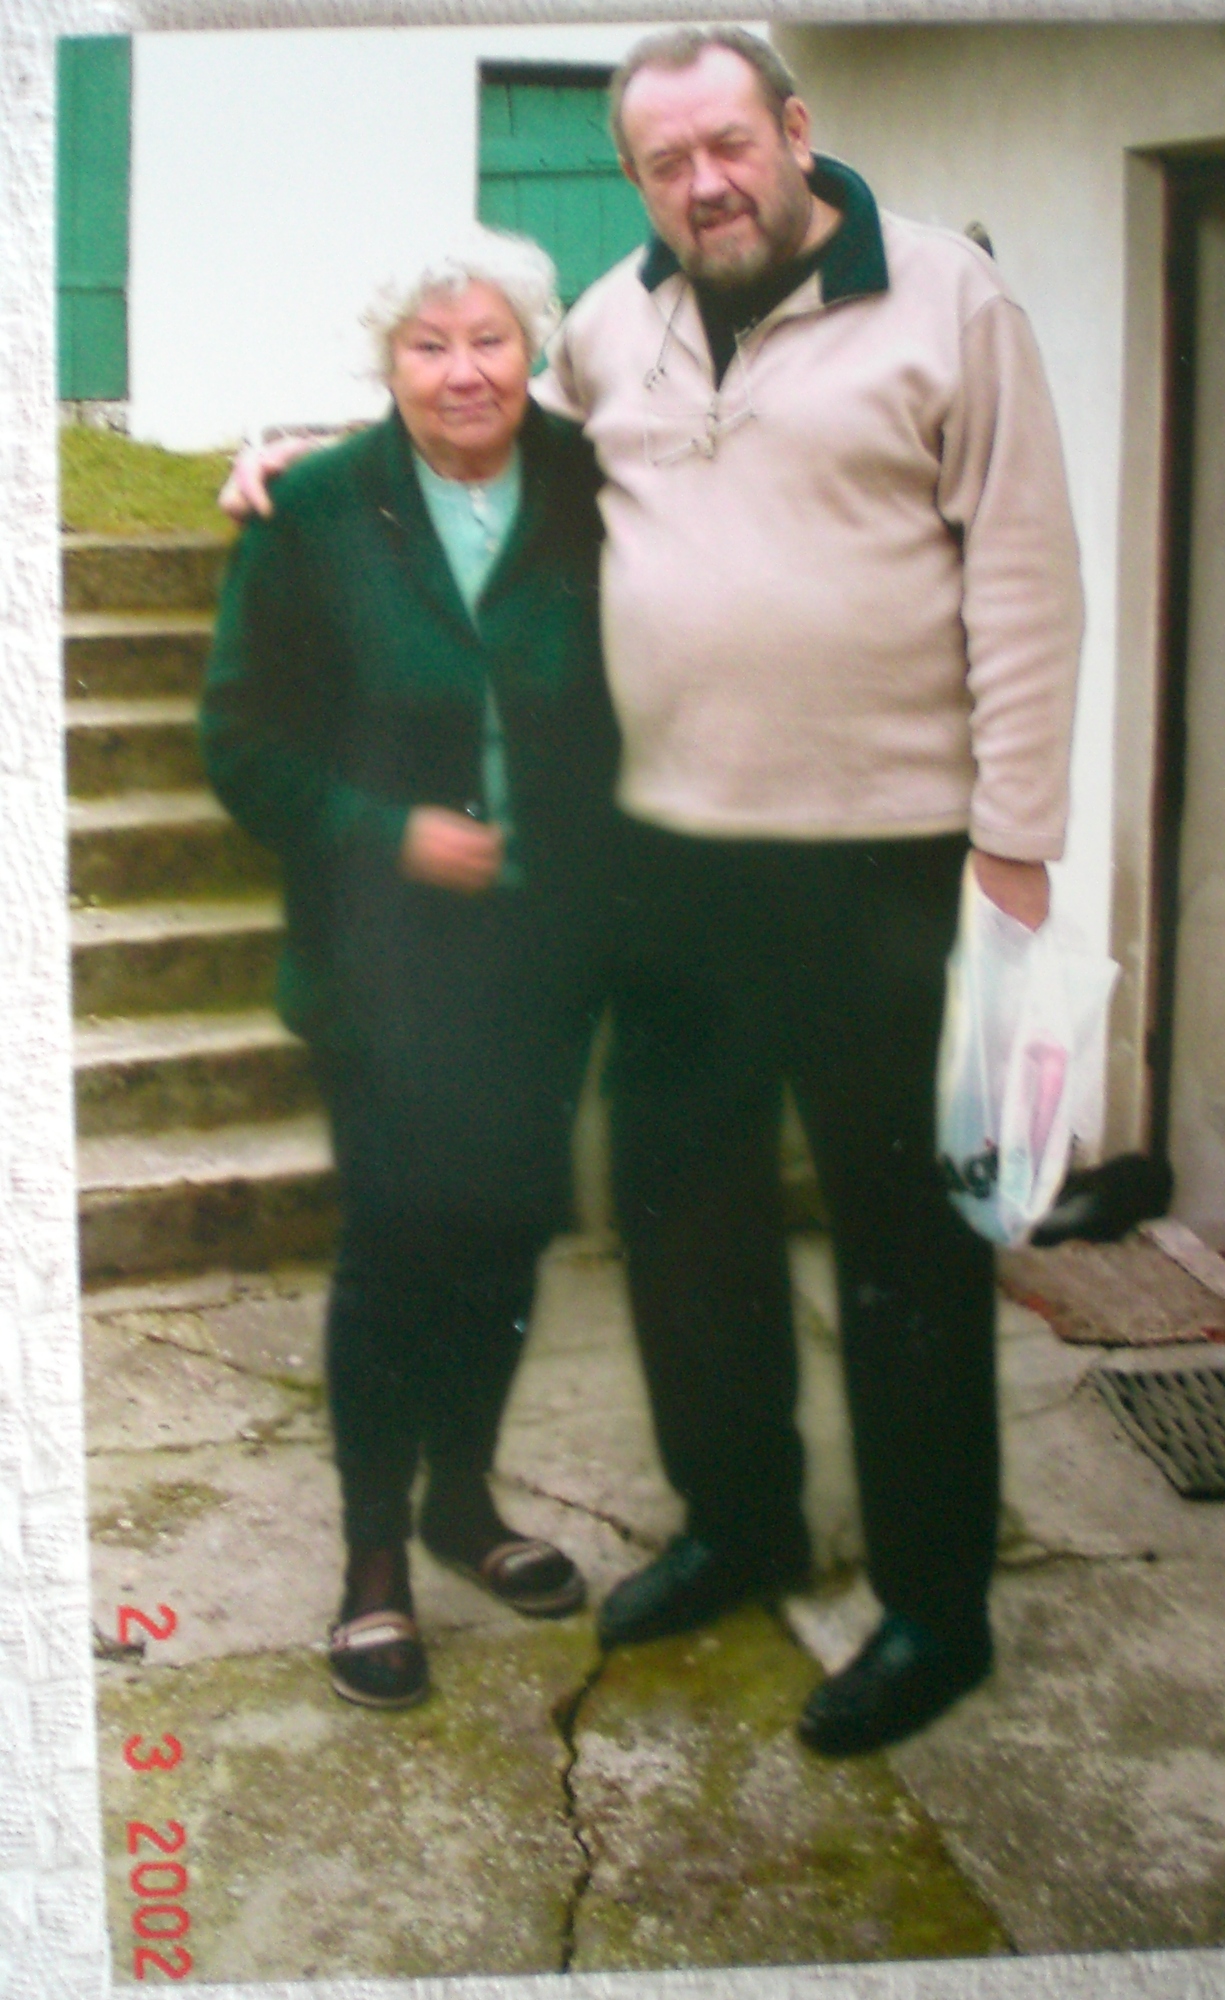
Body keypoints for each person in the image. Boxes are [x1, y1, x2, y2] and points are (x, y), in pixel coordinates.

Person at [222, 27, 1084, 1757]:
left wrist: (1016, 843)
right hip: (671, 857)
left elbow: (1027, 571)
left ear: (794, 130)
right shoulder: (614, 322)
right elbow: (482, 419)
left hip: (882, 862)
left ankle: (933, 1609)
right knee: (686, 1218)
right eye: (666, 162)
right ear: (634, 178)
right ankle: (737, 1520)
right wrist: (306, 454)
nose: (705, 183)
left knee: (903, 1245)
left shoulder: (950, 303)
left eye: (729, 145)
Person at [200, 227, 620, 1709]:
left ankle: (464, 1504)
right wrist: (387, 834)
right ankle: (373, 1557)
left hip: (542, 948)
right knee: (393, 1243)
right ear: (388, 361)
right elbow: (239, 741)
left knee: (505, 1233)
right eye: (429, 346)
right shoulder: (315, 507)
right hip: (380, 955)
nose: (462, 372)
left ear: (536, 349)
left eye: (490, 340)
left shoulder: (594, 484)